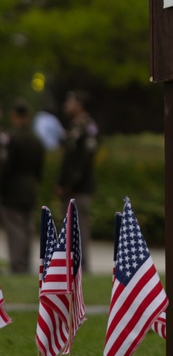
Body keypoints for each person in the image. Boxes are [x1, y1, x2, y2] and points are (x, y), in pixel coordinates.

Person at [56, 90, 100, 272]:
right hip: (70, 189)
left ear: (79, 105)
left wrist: (68, 185)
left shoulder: (88, 127)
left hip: (79, 189)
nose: (67, 106)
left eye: (70, 102)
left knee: (79, 227)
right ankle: (71, 264)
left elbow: (83, 162)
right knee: (68, 228)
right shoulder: (73, 127)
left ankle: (82, 266)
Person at [0, 100, 45, 274]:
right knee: (27, 227)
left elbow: (6, 166)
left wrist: (2, 188)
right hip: (31, 185)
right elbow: (40, 167)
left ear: (14, 116)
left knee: (15, 228)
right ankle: (25, 262)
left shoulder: (13, 138)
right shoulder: (36, 140)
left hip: (14, 188)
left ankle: (18, 264)